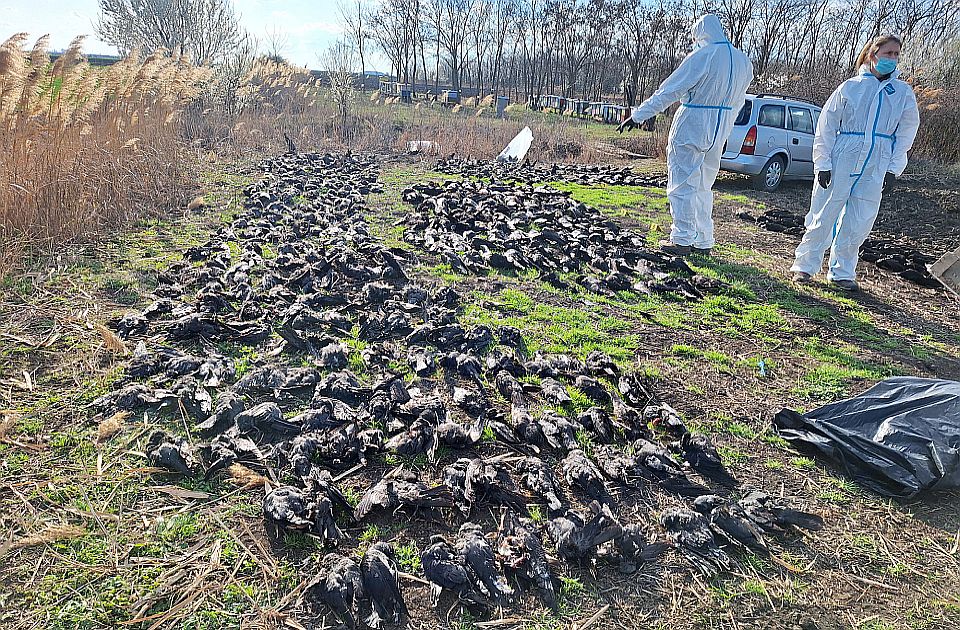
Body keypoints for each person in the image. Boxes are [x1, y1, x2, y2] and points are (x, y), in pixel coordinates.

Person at [790, 34, 920, 291]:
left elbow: (906, 133)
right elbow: (826, 127)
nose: (892, 59)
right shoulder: (850, 87)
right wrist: (823, 163)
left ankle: (842, 273)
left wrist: (893, 169)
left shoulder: (902, 93)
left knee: (859, 220)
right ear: (873, 55)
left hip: (877, 162)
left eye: (896, 54)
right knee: (824, 213)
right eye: (888, 54)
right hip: (844, 156)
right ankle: (804, 266)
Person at [618, 14, 753, 256]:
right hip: (719, 129)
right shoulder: (743, 62)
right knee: (703, 186)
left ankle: (681, 239)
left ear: (702, 34)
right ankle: (703, 241)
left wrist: (638, 115)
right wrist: (725, 131)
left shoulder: (703, 56)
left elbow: (670, 90)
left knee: (681, 183)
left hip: (693, 123)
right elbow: (739, 101)